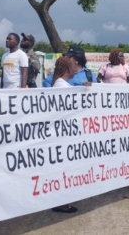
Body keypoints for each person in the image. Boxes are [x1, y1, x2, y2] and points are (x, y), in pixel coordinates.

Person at [50, 56, 78, 212]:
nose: (76, 68)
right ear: (68, 69)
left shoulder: (61, 85)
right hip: (63, 137)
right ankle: (62, 203)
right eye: (74, 66)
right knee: (65, 170)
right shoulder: (62, 87)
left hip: (63, 135)